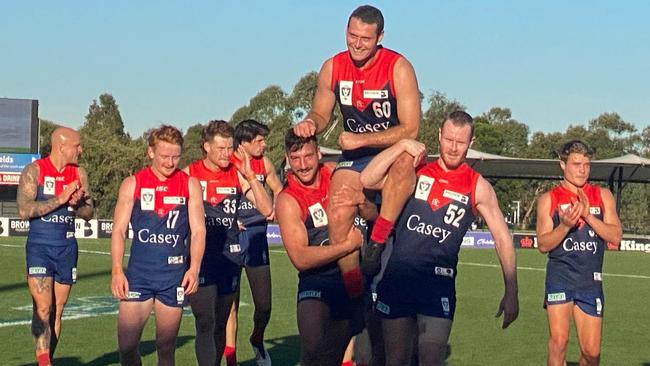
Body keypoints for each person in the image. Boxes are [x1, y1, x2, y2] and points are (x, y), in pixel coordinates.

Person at [360, 111, 519, 365]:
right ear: (439, 136)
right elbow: (367, 178)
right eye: (448, 140)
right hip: (399, 276)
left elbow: (502, 238)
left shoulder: (477, 186)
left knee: (431, 357)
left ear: (471, 143)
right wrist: (401, 144)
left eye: (460, 142)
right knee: (396, 360)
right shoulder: (416, 170)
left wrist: (512, 291)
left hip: (437, 284)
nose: (453, 148)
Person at [292, 4, 421, 298]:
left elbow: (411, 129)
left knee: (404, 163)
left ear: (380, 37)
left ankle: (376, 242)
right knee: (337, 208)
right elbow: (321, 113)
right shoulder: (333, 67)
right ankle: (353, 290)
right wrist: (311, 123)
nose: (357, 44)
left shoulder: (398, 67)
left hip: (391, 151)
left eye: (365, 38)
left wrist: (361, 140)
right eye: (352, 36)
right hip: (354, 158)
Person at [275, 130, 377, 366]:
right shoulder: (288, 199)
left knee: (368, 355)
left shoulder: (337, 173)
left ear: (319, 152)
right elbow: (300, 257)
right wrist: (345, 246)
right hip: (318, 283)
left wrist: (363, 202)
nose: (302, 165)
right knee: (313, 349)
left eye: (308, 156)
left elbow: (374, 215)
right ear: (287, 159)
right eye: (295, 158)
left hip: (358, 280)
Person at [111, 125, 206, 366]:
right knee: (128, 347)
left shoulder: (189, 184)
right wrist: (116, 269)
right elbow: (119, 230)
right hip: (138, 277)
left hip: (172, 278)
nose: (170, 162)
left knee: (166, 348)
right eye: (165, 156)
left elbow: (198, 230)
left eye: (176, 156)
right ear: (151, 152)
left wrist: (194, 268)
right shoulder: (133, 183)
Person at [184, 120, 273, 366]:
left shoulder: (236, 172)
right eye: (221, 148)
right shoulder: (190, 173)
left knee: (220, 323)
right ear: (206, 147)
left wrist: (251, 175)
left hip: (229, 258)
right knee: (205, 321)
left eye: (229, 148)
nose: (226, 153)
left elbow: (266, 209)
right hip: (201, 258)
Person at [536, 140, 622, 366]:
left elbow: (615, 236)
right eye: (576, 164)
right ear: (562, 165)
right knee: (559, 341)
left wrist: (589, 217)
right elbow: (543, 244)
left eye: (586, 164)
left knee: (592, 353)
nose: (582, 170)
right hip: (560, 278)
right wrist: (564, 226)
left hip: (590, 281)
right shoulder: (549, 199)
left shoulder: (603, 195)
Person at [17, 127, 94, 366]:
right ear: (62, 146)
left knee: (57, 311)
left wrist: (79, 203)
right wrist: (60, 199)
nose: (80, 150)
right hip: (40, 247)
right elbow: (24, 210)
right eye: (77, 145)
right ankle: (44, 363)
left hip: (67, 248)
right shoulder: (35, 170)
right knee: (43, 307)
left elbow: (89, 213)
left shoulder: (79, 173)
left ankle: (47, 358)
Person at [224, 119, 283, 366]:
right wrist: (230, 220)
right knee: (230, 305)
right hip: (232, 237)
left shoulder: (264, 163)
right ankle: (231, 358)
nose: (264, 144)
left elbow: (279, 190)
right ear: (244, 143)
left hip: (257, 236)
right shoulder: (227, 164)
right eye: (259, 140)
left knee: (264, 305)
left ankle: (257, 339)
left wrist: (276, 209)